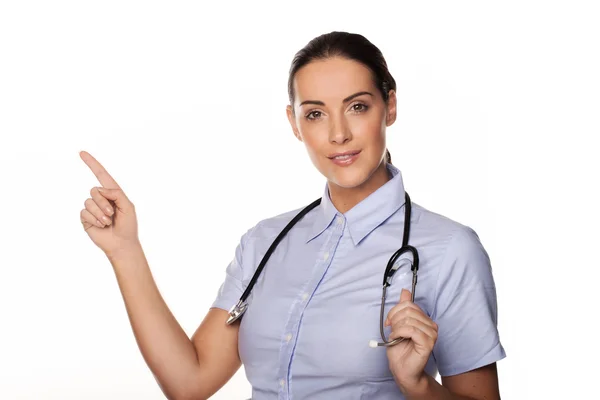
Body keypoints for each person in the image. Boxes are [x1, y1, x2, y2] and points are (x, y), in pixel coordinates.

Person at [79, 31, 506, 400]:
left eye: (358, 106)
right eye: (315, 113)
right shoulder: (265, 242)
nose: (338, 133)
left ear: (389, 106)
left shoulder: (449, 250)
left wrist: (417, 387)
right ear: (294, 123)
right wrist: (124, 250)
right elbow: (189, 383)